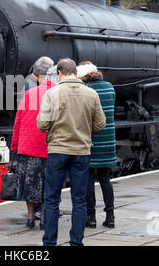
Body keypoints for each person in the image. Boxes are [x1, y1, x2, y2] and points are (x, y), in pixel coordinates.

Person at [37, 58, 106, 246]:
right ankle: (76, 242)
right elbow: (101, 124)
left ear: (59, 73)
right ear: (75, 72)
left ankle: (49, 243)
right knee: (79, 200)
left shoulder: (52, 93)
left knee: (51, 199)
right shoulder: (91, 94)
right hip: (81, 152)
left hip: (58, 151)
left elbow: (42, 124)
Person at [11, 62, 55, 230]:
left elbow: (18, 121)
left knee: (29, 184)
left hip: (27, 147)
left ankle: (30, 218)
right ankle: (44, 218)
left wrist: (14, 144)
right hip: (49, 147)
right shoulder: (57, 95)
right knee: (47, 184)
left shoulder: (29, 94)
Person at [77, 62, 117, 229]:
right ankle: (110, 216)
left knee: (89, 179)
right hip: (108, 138)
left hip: (91, 140)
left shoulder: (85, 90)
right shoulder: (109, 87)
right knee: (105, 179)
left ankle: (90, 217)